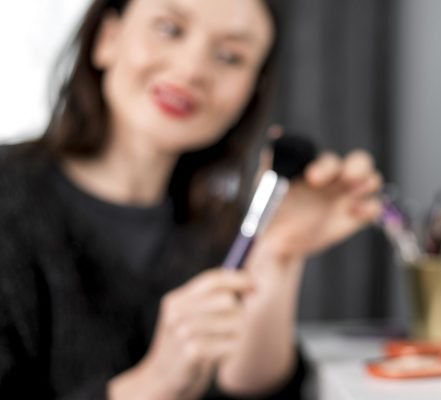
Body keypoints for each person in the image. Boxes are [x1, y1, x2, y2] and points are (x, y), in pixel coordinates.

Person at [0, 0, 383, 399]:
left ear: (251, 92)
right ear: (106, 38)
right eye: (169, 29)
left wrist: (277, 255)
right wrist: (154, 383)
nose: (192, 70)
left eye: (230, 56)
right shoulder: (11, 199)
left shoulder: (216, 227)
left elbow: (254, 393)